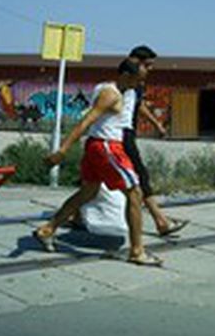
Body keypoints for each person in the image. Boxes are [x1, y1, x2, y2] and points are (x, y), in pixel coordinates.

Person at [33, 66, 162, 267]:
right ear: (126, 75)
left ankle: (48, 229)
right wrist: (63, 150)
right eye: (137, 80)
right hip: (107, 146)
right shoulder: (110, 94)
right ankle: (137, 251)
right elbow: (85, 122)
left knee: (89, 191)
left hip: (97, 146)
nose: (139, 85)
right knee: (135, 193)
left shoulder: (123, 91)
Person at [125, 45, 189, 237]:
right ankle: (160, 221)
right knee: (140, 175)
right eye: (148, 65)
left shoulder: (138, 84)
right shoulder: (126, 81)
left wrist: (156, 124)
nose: (151, 69)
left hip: (123, 135)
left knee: (93, 183)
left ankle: (73, 216)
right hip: (120, 135)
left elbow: (139, 105)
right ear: (137, 63)